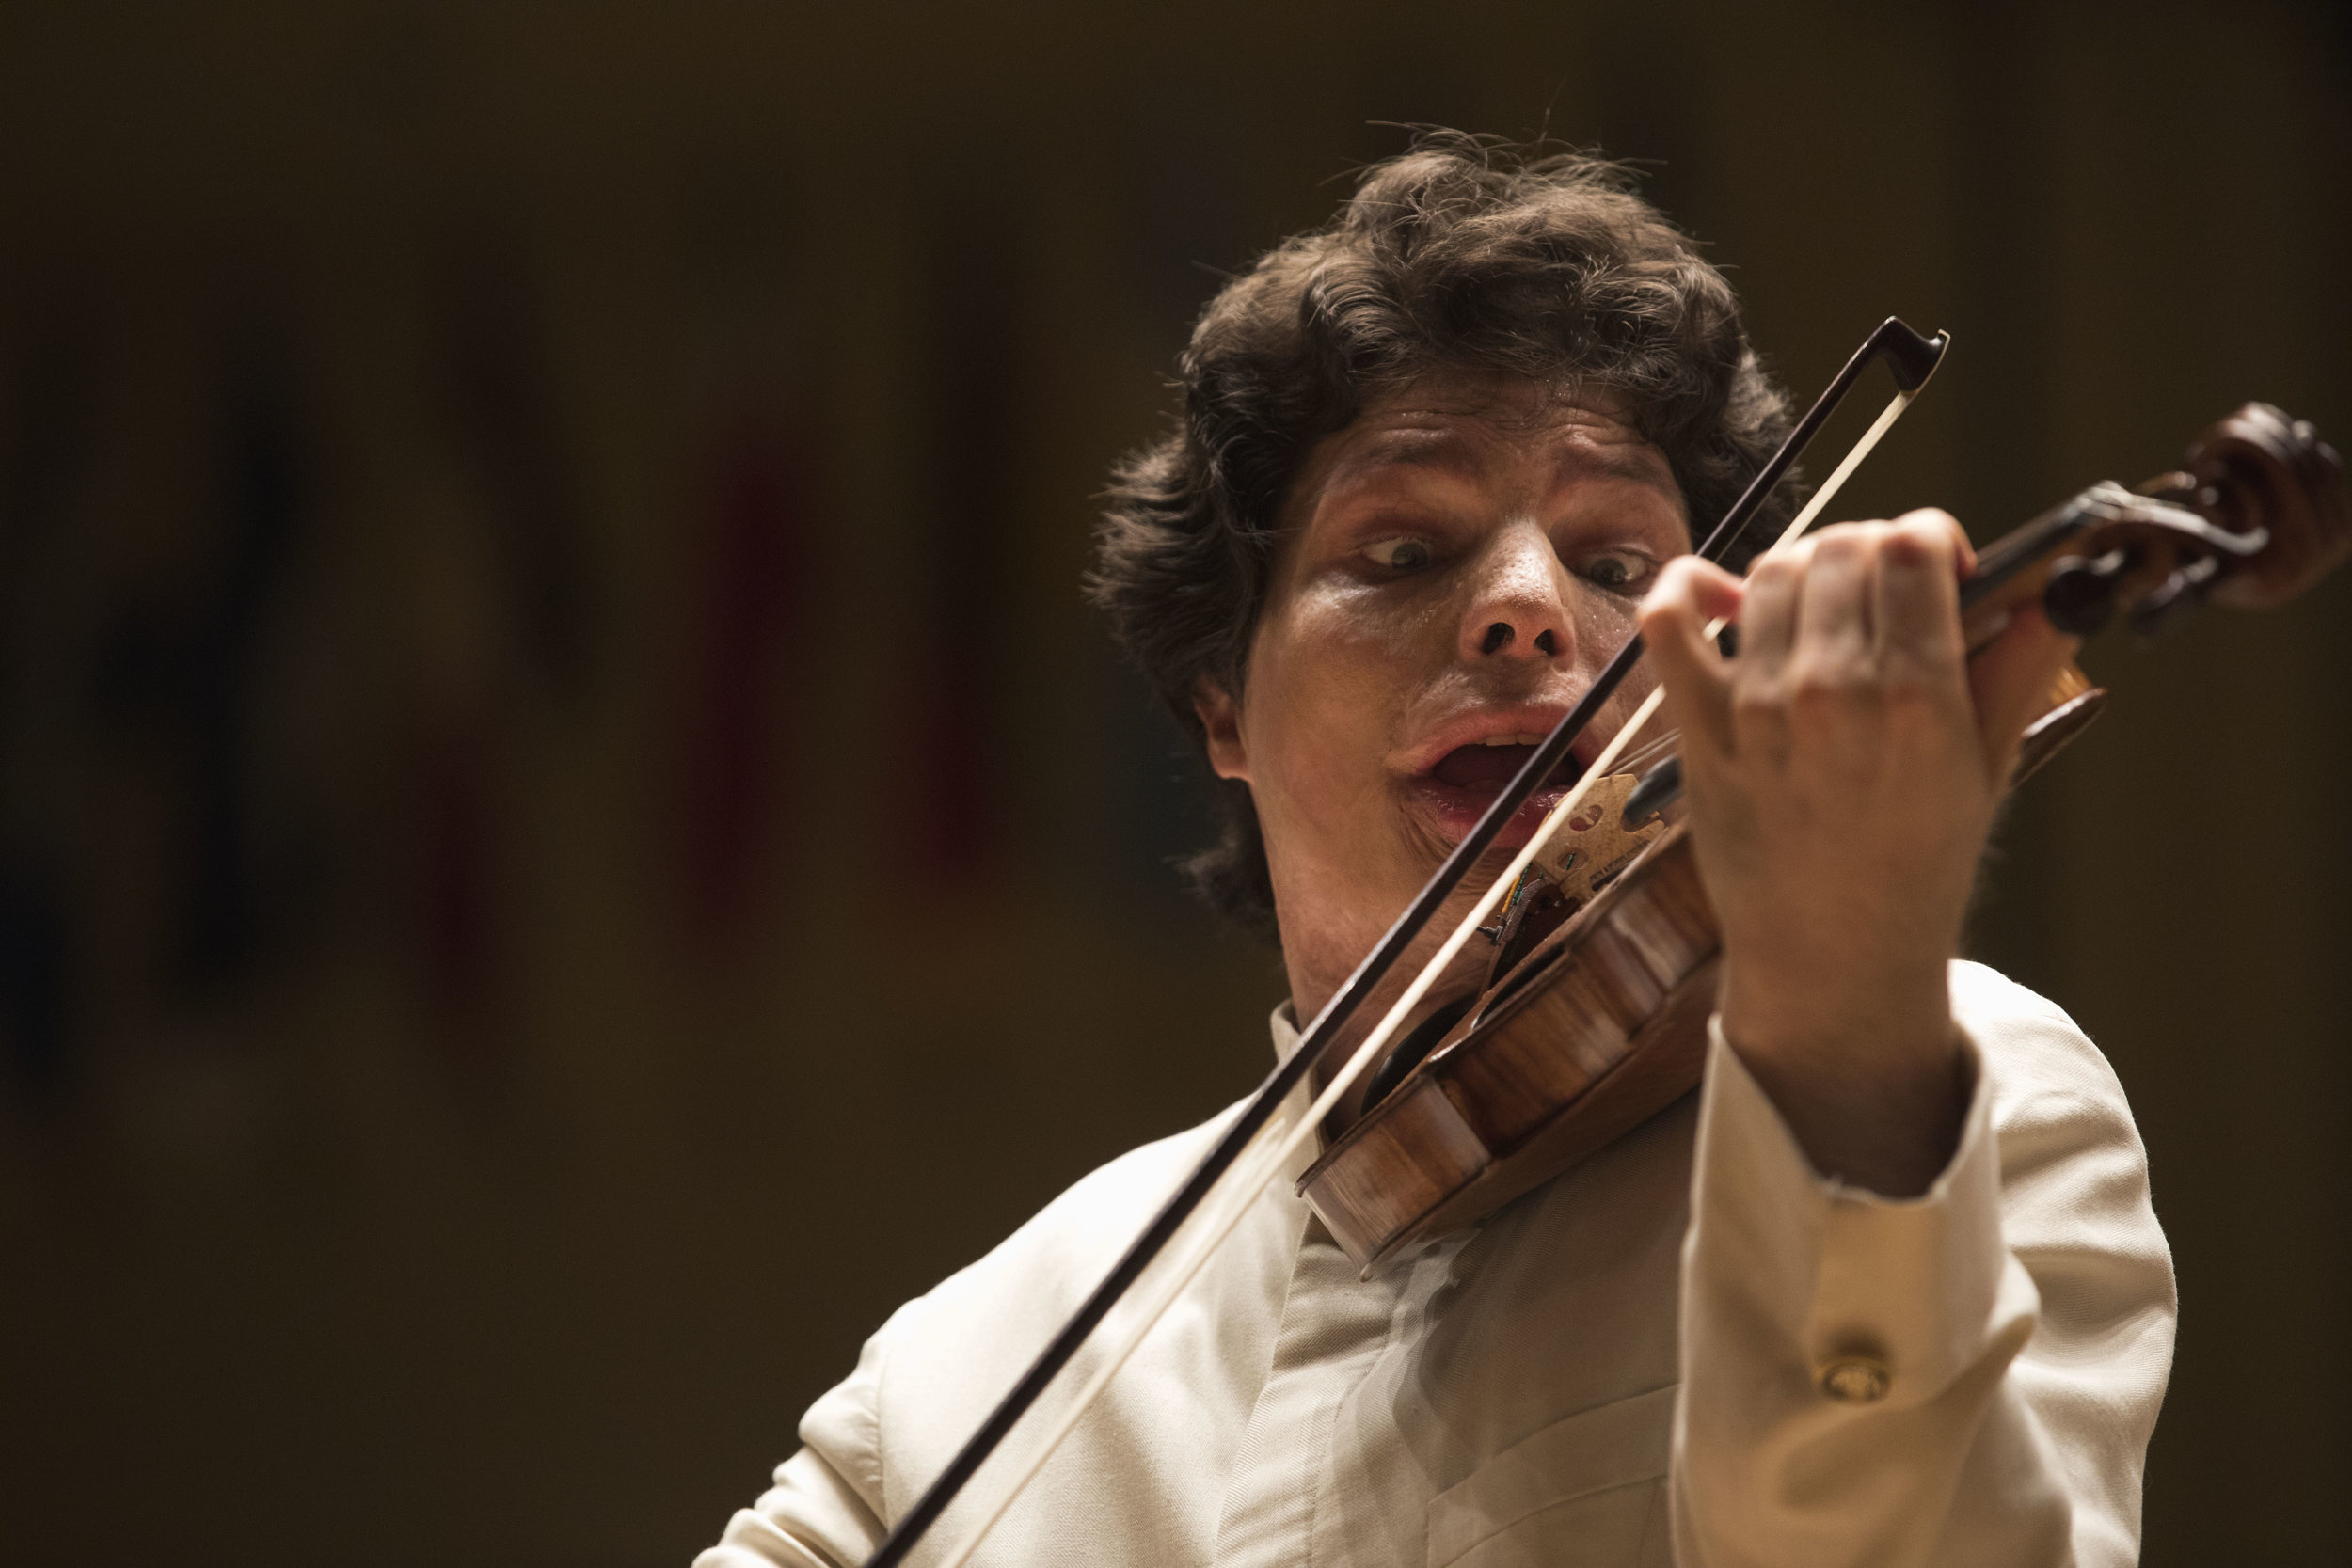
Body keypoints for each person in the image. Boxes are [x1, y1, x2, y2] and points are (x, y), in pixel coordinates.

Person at [695, 135, 2174, 1568]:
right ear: (1221, 700)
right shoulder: (970, 1374)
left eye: (1616, 568)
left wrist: (1847, 1026)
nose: (1526, 611)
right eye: (1403, 553)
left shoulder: (1958, 1091)